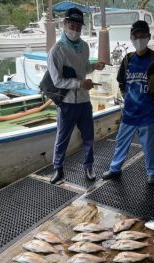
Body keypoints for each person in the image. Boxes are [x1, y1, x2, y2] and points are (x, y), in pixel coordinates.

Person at [102, 20, 154, 184]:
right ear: (131, 37)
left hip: (146, 114)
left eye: (142, 35)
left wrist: (152, 98)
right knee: (121, 142)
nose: (139, 38)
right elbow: (120, 81)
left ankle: (153, 173)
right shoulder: (127, 59)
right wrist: (126, 95)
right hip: (129, 113)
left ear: (148, 36)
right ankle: (115, 169)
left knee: (150, 146)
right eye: (136, 35)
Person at [48, 7, 104, 184]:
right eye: (72, 25)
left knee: (89, 136)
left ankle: (89, 167)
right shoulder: (56, 51)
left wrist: (94, 67)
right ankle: (58, 169)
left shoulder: (84, 46)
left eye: (79, 27)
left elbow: (84, 68)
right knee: (62, 138)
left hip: (84, 101)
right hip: (67, 103)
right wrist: (79, 84)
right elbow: (57, 81)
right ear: (65, 24)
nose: (75, 30)